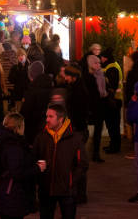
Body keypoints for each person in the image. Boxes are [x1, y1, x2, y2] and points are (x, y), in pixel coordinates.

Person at [33, 104, 89, 219]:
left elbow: (82, 163)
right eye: (47, 116)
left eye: (51, 116)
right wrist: (39, 177)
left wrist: (71, 181)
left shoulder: (76, 138)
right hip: (46, 189)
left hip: (66, 190)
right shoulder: (41, 137)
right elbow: (33, 158)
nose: (47, 119)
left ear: (61, 119)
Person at [0, 113, 44, 219]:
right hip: (12, 194)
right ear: (19, 127)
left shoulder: (0, 139)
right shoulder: (14, 146)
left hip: (2, 191)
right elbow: (17, 172)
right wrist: (37, 168)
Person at [64, 63, 90, 204]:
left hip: (78, 130)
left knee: (79, 163)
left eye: (67, 75)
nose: (65, 78)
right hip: (78, 129)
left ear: (73, 76)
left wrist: (73, 128)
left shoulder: (78, 91)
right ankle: (79, 192)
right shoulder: (76, 89)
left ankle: (81, 193)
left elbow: (79, 113)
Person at [20, 61, 53, 145]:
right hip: (50, 128)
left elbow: (25, 112)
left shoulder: (31, 92)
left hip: (34, 130)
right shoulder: (52, 88)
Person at [101, 47, 123, 154]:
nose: (101, 59)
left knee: (113, 124)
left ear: (106, 58)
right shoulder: (112, 65)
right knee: (111, 124)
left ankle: (115, 146)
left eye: (102, 57)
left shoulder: (111, 67)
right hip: (114, 99)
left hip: (114, 100)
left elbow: (112, 85)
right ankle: (113, 143)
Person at [86, 52, 108, 163]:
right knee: (90, 129)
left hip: (102, 103)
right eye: (95, 63)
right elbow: (89, 93)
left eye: (99, 63)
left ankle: (96, 153)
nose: (98, 65)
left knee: (99, 129)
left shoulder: (102, 74)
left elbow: (105, 88)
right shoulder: (88, 77)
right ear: (90, 64)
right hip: (93, 106)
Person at [9, 48, 31, 112]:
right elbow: (10, 79)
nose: (20, 57)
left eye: (22, 55)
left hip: (28, 92)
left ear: (25, 55)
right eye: (18, 56)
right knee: (19, 110)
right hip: (18, 92)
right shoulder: (15, 68)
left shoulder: (30, 66)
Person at [0, 42, 18, 110]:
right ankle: (12, 110)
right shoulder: (15, 56)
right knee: (13, 96)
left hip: (3, 80)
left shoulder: (0, 57)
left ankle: (5, 112)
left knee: (5, 98)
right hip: (12, 80)